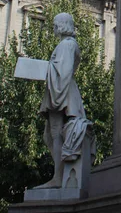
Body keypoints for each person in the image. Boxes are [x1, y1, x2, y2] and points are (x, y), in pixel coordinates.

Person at [36, 13, 94, 189]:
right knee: (50, 134)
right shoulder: (67, 45)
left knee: (54, 133)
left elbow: (63, 70)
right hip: (63, 91)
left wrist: (43, 69)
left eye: (55, 24)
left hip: (62, 92)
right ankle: (58, 175)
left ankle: (58, 177)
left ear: (62, 25)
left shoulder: (67, 45)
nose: (53, 27)